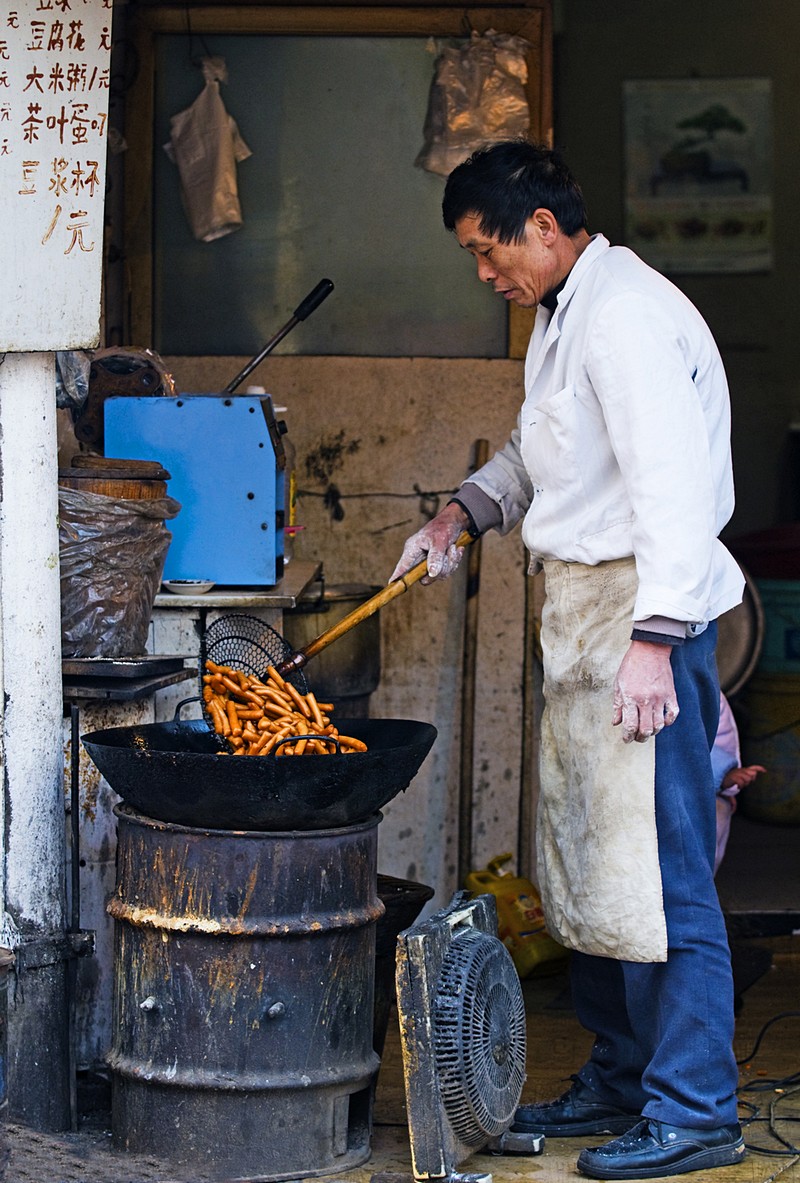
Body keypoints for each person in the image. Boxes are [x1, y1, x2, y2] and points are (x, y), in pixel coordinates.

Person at [391, 141, 746, 1180]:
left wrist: (653, 642)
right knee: (588, 865)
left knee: (660, 874)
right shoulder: (565, 317)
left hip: (641, 620)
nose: (481, 273)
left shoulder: (626, 313)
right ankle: (622, 1076)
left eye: (483, 249)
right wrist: (465, 508)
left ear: (541, 228)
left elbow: (673, 492)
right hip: (585, 621)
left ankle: (693, 1108)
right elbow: (541, 450)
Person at [712, 692, 765, 874]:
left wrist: (725, 788)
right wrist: (722, 774)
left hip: (711, 789)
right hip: (675, 792)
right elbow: (676, 744)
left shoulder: (708, 689)